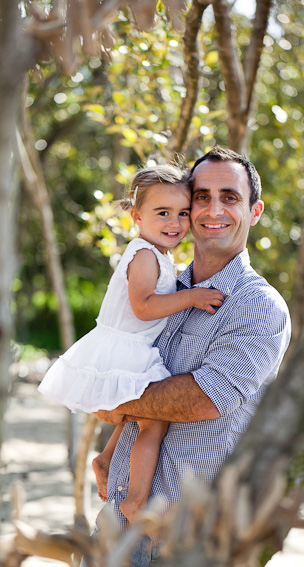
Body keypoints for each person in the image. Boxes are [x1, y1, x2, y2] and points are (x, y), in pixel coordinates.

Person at [93, 147, 291, 565]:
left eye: (230, 197)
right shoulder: (161, 288)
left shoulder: (258, 306)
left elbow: (203, 397)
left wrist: (112, 398)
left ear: (254, 212)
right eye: (201, 196)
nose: (213, 209)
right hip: (116, 525)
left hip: (187, 540)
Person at [38, 165, 225, 522]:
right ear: (137, 217)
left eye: (183, 213)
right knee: (153, 421)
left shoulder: (159, 255)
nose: (175, 222)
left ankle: (106, 459)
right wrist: (192, 297)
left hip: (134, 347)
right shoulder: (143, 255)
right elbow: (143, 307)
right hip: (124, 347)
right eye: (163, 213)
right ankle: (136, 499)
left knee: (139, 412)